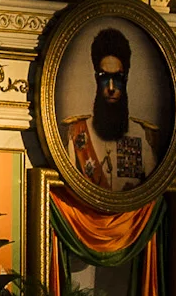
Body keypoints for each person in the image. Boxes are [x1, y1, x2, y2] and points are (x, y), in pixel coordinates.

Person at [60, 26, 166, 196]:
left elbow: (153, 192)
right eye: (104, 78)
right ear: (96, 78)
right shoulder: (77, 134)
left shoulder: (142, 136)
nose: (111, 87)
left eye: (117, 78)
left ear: (126, 79)